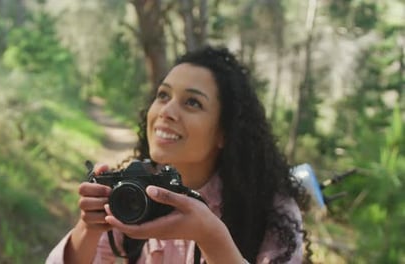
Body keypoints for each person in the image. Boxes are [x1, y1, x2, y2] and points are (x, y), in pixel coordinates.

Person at [46, 46, 310, 264]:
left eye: (192, 102)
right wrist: (87, 229)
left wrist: (212, 238)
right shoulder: (133, 191)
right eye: (163, 95)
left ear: (225, 133)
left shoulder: (269, 209)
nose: (167, 111)